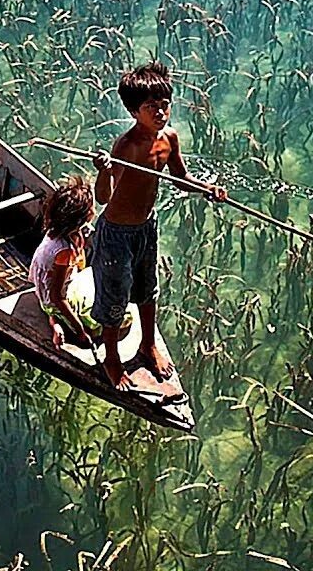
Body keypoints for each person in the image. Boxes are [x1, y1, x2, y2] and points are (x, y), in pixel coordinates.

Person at [91, 61, 228, 390]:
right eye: (151, 107)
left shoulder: (169, 139)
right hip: (116, 234)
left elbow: (181, 180)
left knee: (147, 289)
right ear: (133, 111)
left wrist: (208, 190)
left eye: (165, 104)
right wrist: (104, 170)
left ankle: (148, 345)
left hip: (145, 229)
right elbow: (103, 198)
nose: (160, 112)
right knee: (114, 296)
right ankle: (111, 358)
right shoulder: (126, 147)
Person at [28, 175, 98, 350]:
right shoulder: (63, 251)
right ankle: (56, 319)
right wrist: (81, 332)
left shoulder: (61, 228)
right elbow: (57, 296)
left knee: (95, 279)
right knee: (99, 324)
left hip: (51, 285)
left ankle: (56, 319)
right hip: (51, 298)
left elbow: (80, 262)